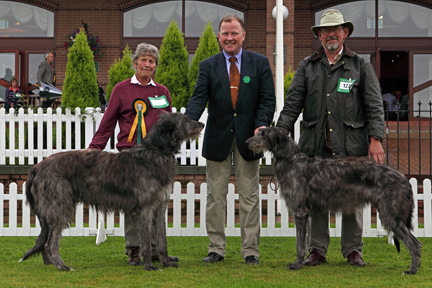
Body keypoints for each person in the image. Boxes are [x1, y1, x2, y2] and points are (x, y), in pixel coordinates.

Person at [276, 9, 385, 268]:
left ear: (345, 32)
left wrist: (376, 138)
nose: (331, 34)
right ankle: (317, 250)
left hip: (351, 146)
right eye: (326, 30)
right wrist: (280, 132)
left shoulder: (361, 65)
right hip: (315, 147)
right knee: (316, 201)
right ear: (320, 35)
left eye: (336, 29)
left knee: (351, 198)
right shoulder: (307, 65)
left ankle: (352, 250)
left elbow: (374, 105)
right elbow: (292, 104)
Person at [185, 15, 276, 265]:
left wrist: (262, 123)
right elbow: (198, 99)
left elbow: (268, 99)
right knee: (215, 196)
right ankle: (216, 248)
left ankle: (250, 251)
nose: (229, 38)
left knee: (249, 197)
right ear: (219, 36)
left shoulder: (260, 63)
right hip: (217, 139)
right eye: (225, 33)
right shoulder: (207, 66)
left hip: (250, 140)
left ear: (243, 35)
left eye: (234, 33)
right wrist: (186, 123)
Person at [88, 43, 178, 266]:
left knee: (158, 202)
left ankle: (156, 250)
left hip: (157, 157)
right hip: (130, 155)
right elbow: (107, 122)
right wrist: (93, 149)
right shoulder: (122, 89)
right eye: (144, 60)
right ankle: (134, 249)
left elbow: (170, 126)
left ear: (155, 66)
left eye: (152, 61)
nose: (147, 64)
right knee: (134, 204)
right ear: (135, 62)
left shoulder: (162, 91)